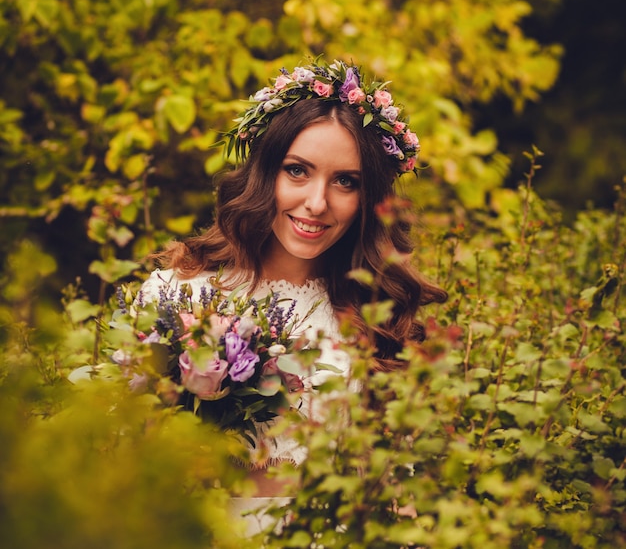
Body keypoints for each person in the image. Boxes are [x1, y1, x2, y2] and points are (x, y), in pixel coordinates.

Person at [139, 59, 447, 534]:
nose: (318, 202)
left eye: (346, 181)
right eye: (297, 171)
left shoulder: (374, 316)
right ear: (265, 174)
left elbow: (396, 488)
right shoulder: (179, 295)